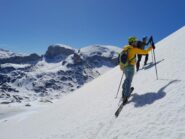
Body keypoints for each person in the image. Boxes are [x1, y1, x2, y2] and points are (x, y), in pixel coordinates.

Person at [121, 36, 155, 102]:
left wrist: (122, 67)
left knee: (126, 79)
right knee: (129, 81)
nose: (136, 43)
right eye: (135, 42)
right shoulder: (133, 49)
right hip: (130, 67)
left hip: (124, 67)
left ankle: (124, 92)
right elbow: (145, 52)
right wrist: (151, 47)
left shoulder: (125, 49)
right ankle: (126, 96)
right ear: (132, 42)